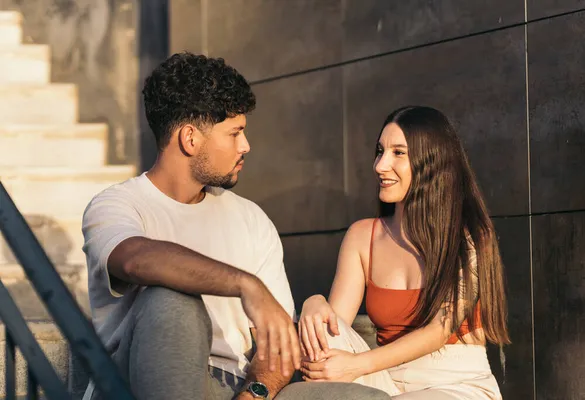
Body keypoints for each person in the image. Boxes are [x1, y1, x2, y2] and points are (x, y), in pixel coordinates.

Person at [81, 52, 390, 400]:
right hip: (142, 383)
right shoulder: (117, 205)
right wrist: (246, 285)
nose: (246, 146)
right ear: (190, 139)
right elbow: (134, 260)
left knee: (363, 399)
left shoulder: (250, 219)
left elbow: (276, 346)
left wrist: (253, 394)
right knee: (170, 299)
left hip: (238, 386)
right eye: (234, 133)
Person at [298, 106, 511, 399]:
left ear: (431, 162)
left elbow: (440, 330)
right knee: (320, 335)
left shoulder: (470, 236)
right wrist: (313, 304)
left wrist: (357, 366)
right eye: (380, 151)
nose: (380, 165)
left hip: (455, 384)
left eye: (398, 153)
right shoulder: (362, 236)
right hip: (384, 379)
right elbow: (336, 331)